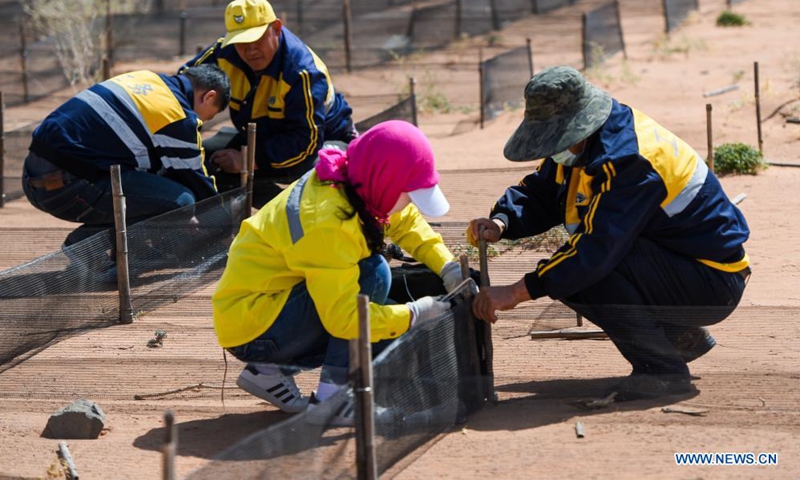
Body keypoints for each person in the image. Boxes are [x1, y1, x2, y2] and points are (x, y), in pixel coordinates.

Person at [468, 66, 751, 401]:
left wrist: (516, 291)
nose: (552, 149)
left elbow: (597, 250)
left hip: (712, 283)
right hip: (675, 265)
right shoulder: (586, 143)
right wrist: (503, 222)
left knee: (581, 272)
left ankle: (662, 371)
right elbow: (543, 191)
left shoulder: (630, 160)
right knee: (568, 272)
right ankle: (676, 337)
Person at [212, 120, 464, 424]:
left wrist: (447, 266)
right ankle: (332, 402)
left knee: (375, 281)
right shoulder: (327, 221)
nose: (411, 202)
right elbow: (345, 319)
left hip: (264, 307)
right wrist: (415, 314)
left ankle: (267, 373)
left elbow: (406, 222)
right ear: (385, 180)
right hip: (252, 326)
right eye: (409, 193)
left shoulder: (357, 179)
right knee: (372, 276)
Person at [23, 65, 231, 270]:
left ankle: (131, 251)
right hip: (68, 191)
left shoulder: (145, 78)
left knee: (156, 186)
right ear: (209, 97)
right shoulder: (177, 114)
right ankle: (84, 245)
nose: (201, 122)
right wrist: (221, 225)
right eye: (207, 117)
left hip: (34, 180)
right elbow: (196, 177)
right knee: (181, 201)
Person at [183, 0, 356, 208]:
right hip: (261, 137)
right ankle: (258, 220)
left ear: (276, 28)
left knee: (324, 174)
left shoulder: (302, 72)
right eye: (241, 42)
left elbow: (305, 143)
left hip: (322, 140)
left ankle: (289, 214)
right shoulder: (224, 53)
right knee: (210, 165)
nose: (250, 50)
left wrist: (247, 160)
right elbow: (183, 87)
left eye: (257, 39)